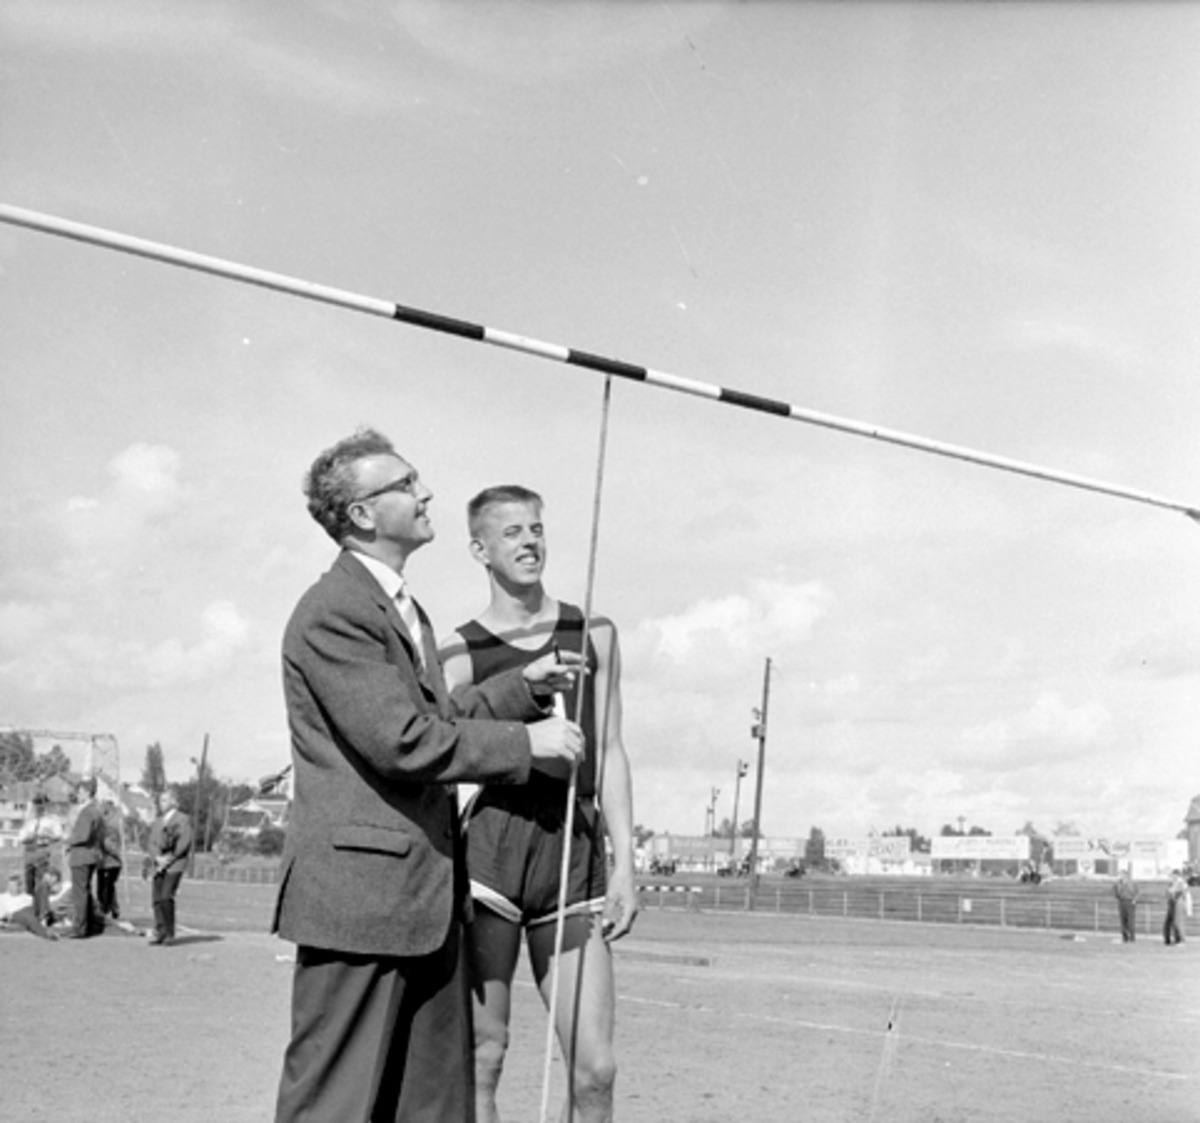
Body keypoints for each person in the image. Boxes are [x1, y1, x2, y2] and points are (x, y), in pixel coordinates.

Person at [272, 429, 585, 1123]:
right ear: (360, 513)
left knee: (433, 1106)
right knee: (336, 1103)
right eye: (406, 484)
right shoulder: (335, 611)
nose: (427, 493)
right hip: (362, 908)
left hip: (426, 905)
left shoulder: (400, 605)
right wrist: (525, 743)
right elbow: (403, 742)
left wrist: (519, 690)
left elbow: (435, 715)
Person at [442, 485, 637, 1123]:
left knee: (595, 1070)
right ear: (480, 550)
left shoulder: (594, 631)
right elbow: (441, 736)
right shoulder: (459, 650)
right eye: (511, 533)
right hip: (495, 847)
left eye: (537, 529)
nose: (529, 542)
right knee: (485, 1055)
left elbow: (608, 749)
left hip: (572, 849)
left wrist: (627, 864)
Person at [146, 788, 192, 946]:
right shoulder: (158, 821)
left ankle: (170, 933)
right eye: (160, 800)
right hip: (159, 864)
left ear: (173, 801)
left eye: (164, 800)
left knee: (166, 896)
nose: (161, 803)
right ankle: (160, 931)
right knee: (157, 899)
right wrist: (157, 858)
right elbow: (151, 842)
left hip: (175, 864)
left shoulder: (182, 819)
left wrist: (169, 858)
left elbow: (184, 843)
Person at [65, 776, 104, 939]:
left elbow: (83, 835)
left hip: (81, 855)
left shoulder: (87, 812)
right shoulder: (96, 810)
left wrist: (67, 841)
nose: (78, 794)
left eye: (80, 792)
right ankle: (88, 926)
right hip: (91, 855)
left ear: (87, 793)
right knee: (85, 891)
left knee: (79, 893)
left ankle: (80, 928)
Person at [17, 791, 64, 923]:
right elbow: (21, 837)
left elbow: (59, 834)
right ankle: (34, 911)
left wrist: (48, 835)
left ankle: (43, 914)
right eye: (36, 803)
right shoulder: (29, 820)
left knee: (41, 884)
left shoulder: (51, 819)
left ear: (46, 805)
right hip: (29, 852)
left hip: (42, 851)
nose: (38, 806)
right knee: (29, 885)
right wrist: (29, 836)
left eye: (41, 803)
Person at [0, 871, 62, 940]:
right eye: (10, 886)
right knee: (31, 919)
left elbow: (40, 904)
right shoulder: (3, 897)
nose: (11, 888)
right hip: (17, 912)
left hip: (31, 909)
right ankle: (46, 934)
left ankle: (48, 920)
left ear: (20, 886)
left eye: (14, 886)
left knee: (41, 891)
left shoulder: (27, 897)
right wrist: (4, 919)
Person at [96, 798, 124, 922]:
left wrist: (117, 855)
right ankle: (113, 909)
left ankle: (107, 910)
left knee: (105, 889)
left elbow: (109, 845)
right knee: (107, 887)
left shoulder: (109, 828)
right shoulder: (106, 827)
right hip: (104, 863)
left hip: (110, 863)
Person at [1114, 867, 1139, 943]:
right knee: (1123, 921)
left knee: (1131, 921)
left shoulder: (1132, 883)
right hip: (1121, 902)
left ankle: (1132, 938)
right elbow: (1115, 891)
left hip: (1130, 902)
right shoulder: (1118, 883)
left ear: (1126, 875)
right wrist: (1118, 897)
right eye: (1120, 874)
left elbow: (1138, 892)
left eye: (1122, 874)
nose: (1121, 876)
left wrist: (1135, 900)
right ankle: (1125, 937)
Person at [1163, 869, 1187, 946]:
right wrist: (1169, 892)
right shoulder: (1172, 883)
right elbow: (1167, 892)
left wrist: (1174, 896)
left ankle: (1179, 940)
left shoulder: (1180, 882)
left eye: (1174, 875)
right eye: (1172, 875)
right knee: (1167, 922)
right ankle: (1167, 940)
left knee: (1176, 922)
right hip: (1171, 902)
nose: (1172, 876)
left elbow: (1181, 892)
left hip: (1176, 903)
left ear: (1177, 875)